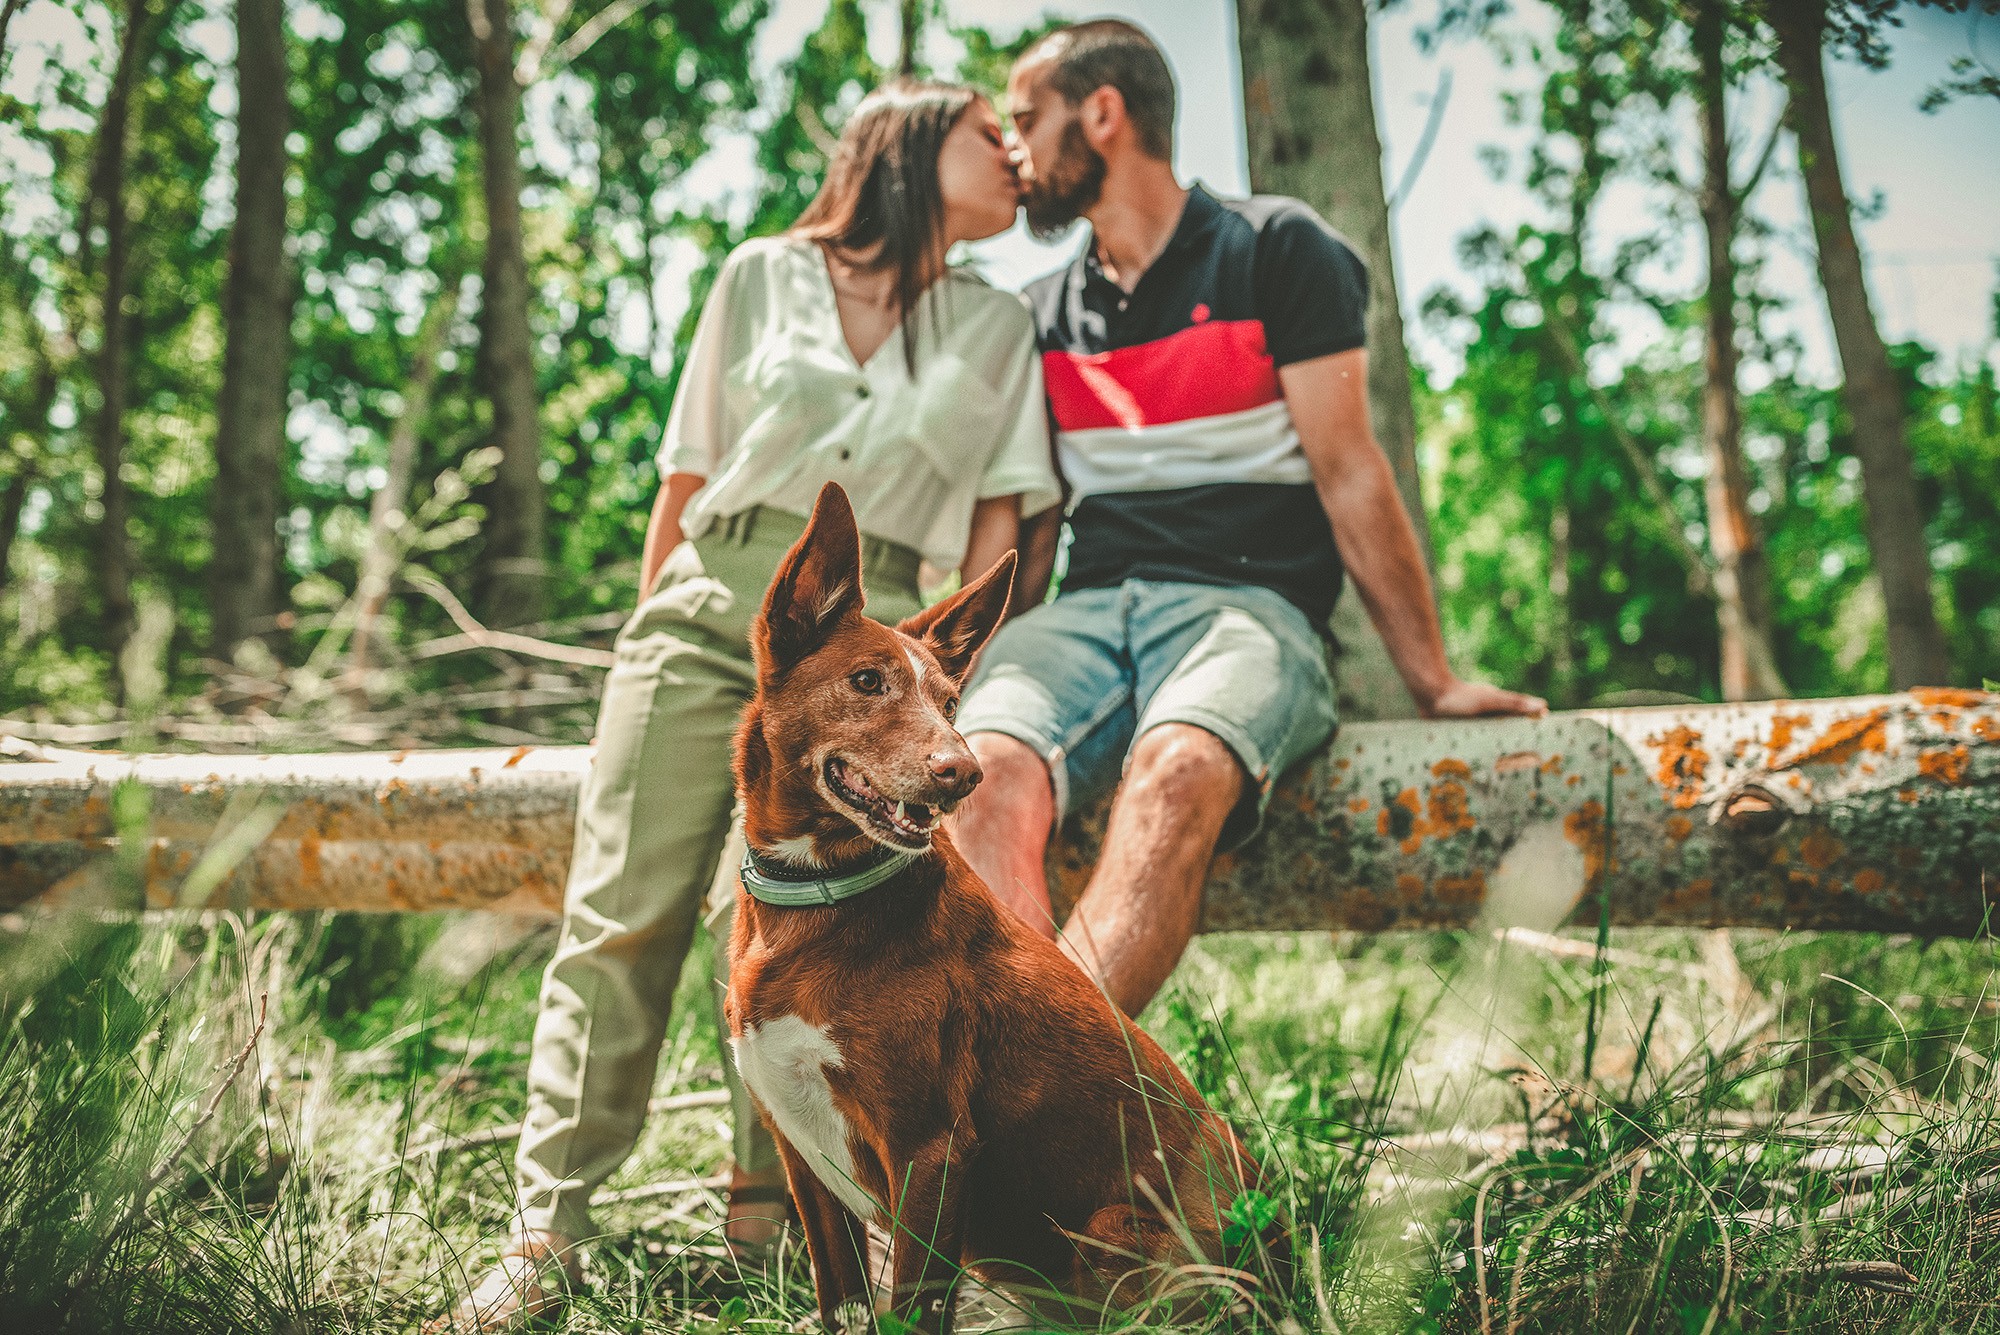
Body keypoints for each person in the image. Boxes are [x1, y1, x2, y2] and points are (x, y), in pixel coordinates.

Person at [429, 79, 1060, 1333]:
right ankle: (545, 1235)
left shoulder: (999, 325)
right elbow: (688, 477)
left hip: (872, 652)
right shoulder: (761, 274)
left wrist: (921, 699)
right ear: (909, 143)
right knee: (623, 911)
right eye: (987, 133)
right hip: (714, 599)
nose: (1014, 155)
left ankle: (767, 1220)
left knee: (808, 932)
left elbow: (1001, 533)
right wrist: (652, 627)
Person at [951, 20, 1548, 1019]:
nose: (1014, 150)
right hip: (1085, 614)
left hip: (1248, 612)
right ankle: (1022, 1076)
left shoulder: (1278, 250)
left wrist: (1433, 681)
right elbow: (1034, 530)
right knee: (981, 769)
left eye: (1025, 119)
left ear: (1102, 114)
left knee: (1179, 767)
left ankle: (1047, 1079)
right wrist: (954, 674)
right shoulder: (1040, 309)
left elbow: (1351, 473)